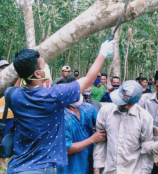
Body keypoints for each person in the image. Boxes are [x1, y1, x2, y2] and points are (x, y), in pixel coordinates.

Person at [6, 40, 114, 173]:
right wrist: (102, 54)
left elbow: (19, 84)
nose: (47, 68)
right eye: (44, 66)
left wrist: (22, 67)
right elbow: (89, 79)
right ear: (37, 74)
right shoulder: (54, 95)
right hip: (42, 168)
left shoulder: (11, 94)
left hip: (17, 167)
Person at [93, 80, 154, 174]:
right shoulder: (105, 111)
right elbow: (100, 142)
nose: (122, 105)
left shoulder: (145, 118)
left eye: (127, 104)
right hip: (109, 170)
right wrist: (96, 168)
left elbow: (147, 150)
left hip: (133, 170)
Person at [55, 78, 106, 174]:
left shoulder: (89, 109)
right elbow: (67, 149)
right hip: (69, 169)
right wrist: (92, 139)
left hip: (90, 165)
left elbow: (103, 126)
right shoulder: (58, 116)